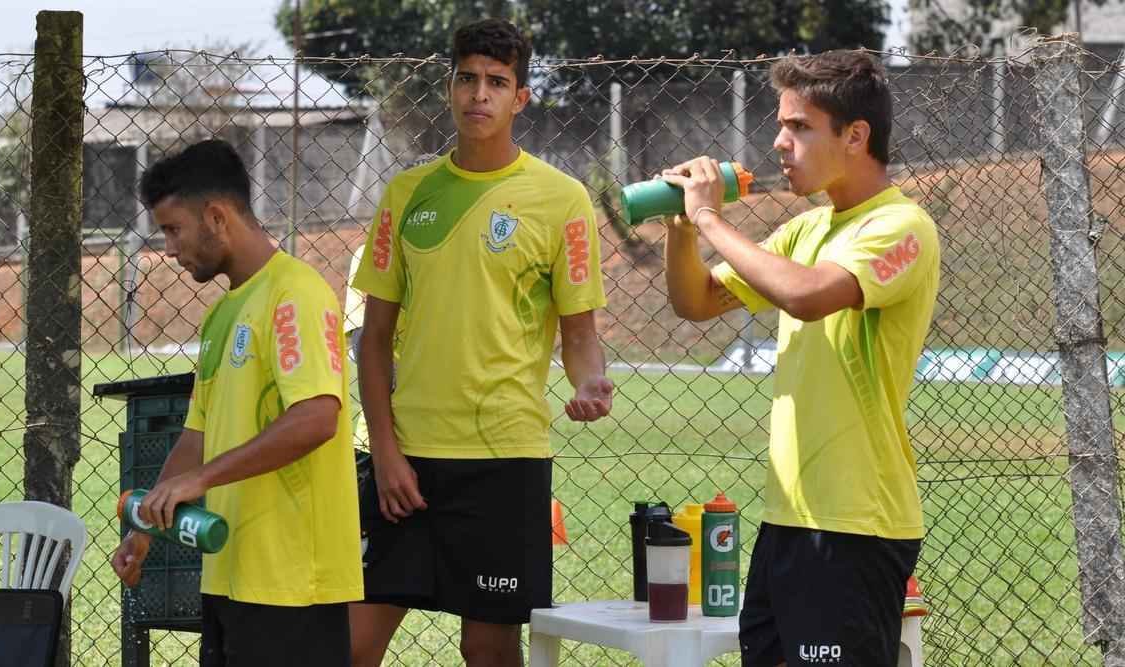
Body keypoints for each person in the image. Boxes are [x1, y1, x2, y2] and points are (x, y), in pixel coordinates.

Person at [349, 18, 614, 667]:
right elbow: (374, 339)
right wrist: (384, 449)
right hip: (404, 465)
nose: (479, 94)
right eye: (467, 78)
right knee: (349, 645)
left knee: (488, 647)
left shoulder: (562, 200)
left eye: (497, 82)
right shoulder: (407, 195)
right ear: (450, 87)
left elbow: (580, 335)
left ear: (520, 98)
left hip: (505, 463)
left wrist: (589, 381)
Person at [660, 51, 939, 667]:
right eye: (781, 124)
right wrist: (682, 228)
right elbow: (695, 300)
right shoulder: (806, 229)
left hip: (857, 522)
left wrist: (708, 215)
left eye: (800, 127)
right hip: (789, 516)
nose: (779, 142)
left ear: (856, 135)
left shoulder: (902, 226)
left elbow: (808, 296)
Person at [110, 139, 363, 666]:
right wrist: (145, 530)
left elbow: (317, 418)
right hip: (231, 573)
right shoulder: (222, 316)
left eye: (173, 229)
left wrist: (201, 482)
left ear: (217, 217)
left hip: (294, 582)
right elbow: (196, 436)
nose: (170, 248)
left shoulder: (296, 293)